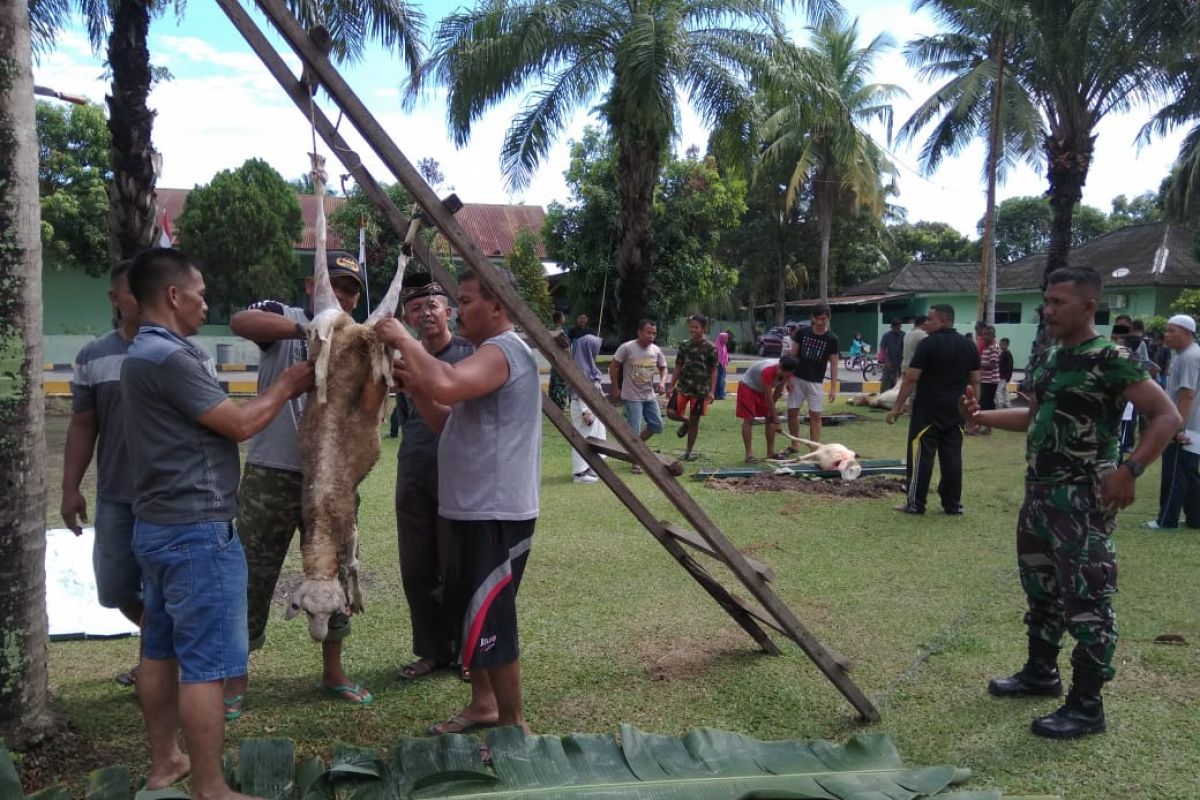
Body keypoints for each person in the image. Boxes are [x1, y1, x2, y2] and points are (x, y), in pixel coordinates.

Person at [120, 248, 313, 799]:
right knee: (204, 666)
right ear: (174, 296)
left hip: (157, 527)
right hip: (197, 531)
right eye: (200, 293)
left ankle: (167, 763)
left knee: (158, 651)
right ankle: (211, 786)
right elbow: (239, 423)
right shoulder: (170, 359)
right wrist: (288, 384)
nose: (207, 302)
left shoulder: (144, 352)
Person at [962, 266, 1178, 739]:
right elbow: (1035, 416)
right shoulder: (1048, 357)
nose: (1048, 309)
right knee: (1042, 592)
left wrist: (1131, 469)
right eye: (1047, 300)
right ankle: (1041, 673)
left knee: (1088, 601)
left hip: (1082, 498)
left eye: (1059, 302)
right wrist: (982, 415)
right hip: (1039, 493)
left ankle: (1086, 705)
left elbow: (1167, 415)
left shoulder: (1111, 358)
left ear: (1088, 306)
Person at [376, 268, 541, 737]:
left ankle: (513, 725)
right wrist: (417, 388)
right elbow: (448, 420)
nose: (458, 307)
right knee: (470, 611)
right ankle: (484, 703)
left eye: (465, 300)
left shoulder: (503, 350)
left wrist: (403, 339)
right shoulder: (487, 357)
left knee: (493, 619)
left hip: (494, 511)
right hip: (470, 507)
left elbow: (446, 383)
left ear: (497, 306)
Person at [222, 250, 371, 719]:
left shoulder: (359, 341)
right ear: (313, 287)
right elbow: (240, 322)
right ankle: (235, 677)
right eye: (334, 287)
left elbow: (370, 408)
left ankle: (334, 671)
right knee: (248, 574)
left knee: (337, 570)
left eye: (350, 292)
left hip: (333, 480)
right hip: (271, 472)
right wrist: (307, 329)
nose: (341, 296)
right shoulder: (284, 317)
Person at [62, 258, 144, 687]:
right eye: (133, 290)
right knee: (114, 588)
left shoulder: (183, 352)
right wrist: (70, 488)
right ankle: (160, 645)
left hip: (169, 499)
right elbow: (83, 424)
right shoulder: (93, 356)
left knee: (170, 591)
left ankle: (158, 664)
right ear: (115, 298)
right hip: (116, 496)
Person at [391, 274, 475, 679]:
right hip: (413, 470)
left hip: (456, 474)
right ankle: (431, 650)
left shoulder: (470, 354)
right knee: (416, 565)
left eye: (432, 306)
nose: (425, 314)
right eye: (415, 309)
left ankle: (466, 651)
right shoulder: (402, 362)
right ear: (406, 317)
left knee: (457, 564)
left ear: (448, 312)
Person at [886, 304, 979, 515]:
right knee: (953, 457)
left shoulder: (928, 345)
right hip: (957, 411)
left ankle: (916, 503)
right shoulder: (969, 346)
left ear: (943, 321)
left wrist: (896, 407)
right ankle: (952, 505)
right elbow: (975, 380)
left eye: (930, 319)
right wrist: (973, 411)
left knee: (922, 456)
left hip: (928, 411)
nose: (926, 323)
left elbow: (911, 378)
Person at [1144, 314, 1200, 530]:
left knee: (1175, 474)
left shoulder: (1188, 357)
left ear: (1188, 333)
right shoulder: (1191, 354)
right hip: (1193, 426)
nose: (1166, 335)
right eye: (1166, 331)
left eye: (1172, 331)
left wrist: (1178, 427)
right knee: (1189, 475)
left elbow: (1186, 394)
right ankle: (1196, 519)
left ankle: (1166, 520)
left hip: (1185, 427)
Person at [610, 320, 667, 472]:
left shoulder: (655, 350)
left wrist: (662, 382)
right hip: (631, 395)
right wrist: (616, 388)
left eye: (654, 333)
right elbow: (614, 366)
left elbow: (663, 368)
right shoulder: (627, 347)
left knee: (657, 425)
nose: (651, 336)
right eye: (648, 332)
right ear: (639, 332)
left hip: (649, 395)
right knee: (634, 430)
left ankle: (635, 447)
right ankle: (636, 461)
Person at [665, 314, 718, 461]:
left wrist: (712, 391)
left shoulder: (710, 347)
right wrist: (671, 386)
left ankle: (688, 452)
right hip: (683, 386)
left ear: (704, 328)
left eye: (696, 327)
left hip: (700, 390)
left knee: (696, 420)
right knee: (670, 412)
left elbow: (714, 370)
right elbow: (678, 365)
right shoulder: (684, 345)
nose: (692, 329)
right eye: (691, 326)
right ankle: (687, 422)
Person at [786, 305, 839, 445]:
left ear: (829, 318)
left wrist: (833, 388)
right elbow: (792, 355)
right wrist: (789, 377)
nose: (821, 322)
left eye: (824, 319)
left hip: (816, 381)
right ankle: (794, 444)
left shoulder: (832, 339)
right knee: (792, 412)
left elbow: (834, 364)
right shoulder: (803, 332)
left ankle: (814, 448)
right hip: (797, 378)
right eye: (818, 319)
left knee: (815, 416)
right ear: (812, 318)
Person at [737, 355, 799, 463]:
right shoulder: (768, 371)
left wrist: (771, 413)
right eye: (780, 368)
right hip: (747, 387)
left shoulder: (788, 374)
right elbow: (768, 396)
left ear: (791, 372)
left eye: (784, 371)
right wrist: (776, 418)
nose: (780, 372)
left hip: (761, 390)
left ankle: (770, 453)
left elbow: (778, 391)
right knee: (749, 419)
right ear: (779, 364)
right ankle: (749, 454)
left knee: (769, 418)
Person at [570, 331, 605, 483]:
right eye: (594, 351)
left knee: (594, 437)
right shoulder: (580, 369)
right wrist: (586, 411)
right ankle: (579, 473)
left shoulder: (590, 367)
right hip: (583, 407)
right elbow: (580, 391)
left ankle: (590, 468)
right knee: (583, 438)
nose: (595, 355)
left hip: (592, 408)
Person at [977, 325, 1001, 434]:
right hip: (985, 380)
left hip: (991, 381)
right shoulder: (985, 348)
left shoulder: (993, 347)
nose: (985, 337)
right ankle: (986, 427)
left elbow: (992, 365)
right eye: (983, 334)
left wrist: (979, 365)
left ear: (993, 336)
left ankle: (984, 426)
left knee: (985, 403)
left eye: (987, 335)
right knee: (987, 403)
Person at [547, 310, 571, 410]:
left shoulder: (551, 330)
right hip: (561, 361)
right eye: (563, 316)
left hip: (555, 361)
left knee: (555, 381)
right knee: (560, 383)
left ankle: (554, 403)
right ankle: (559, 404)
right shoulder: (559, 332)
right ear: (560, 319)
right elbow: (566, 347)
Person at [878, 318, 905, 392]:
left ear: (900, 326)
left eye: (898, 327)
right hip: (889, 361)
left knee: (899, 382)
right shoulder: (886, 336)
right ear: (891, 327)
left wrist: (903, 362)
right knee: (885, 381)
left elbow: (906, 350)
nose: (896, 329)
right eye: (894, 327)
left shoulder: (904, 335)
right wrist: (886, 361)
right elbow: (883, 350)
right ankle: (881, 397)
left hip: (901, 362)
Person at [997, 337, 1015, 409]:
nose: (1000, 346)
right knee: (1005, 390)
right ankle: (1007, 404)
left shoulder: (1007, 354)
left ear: (1007, 345)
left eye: (1002, 344)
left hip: (1003, 376)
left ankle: (1000, 405)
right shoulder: (1003, 353)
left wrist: (1007, 376)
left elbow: (1009, 366)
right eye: (1000, 344)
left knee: (998, 391)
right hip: (1003, 376)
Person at [714, 329, 731, 400]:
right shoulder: (718, 346)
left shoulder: (723, 345)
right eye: (725, 339)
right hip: (719, 365)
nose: (726, 340)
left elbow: (725, 354)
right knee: (719, 380)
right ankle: (718, 395)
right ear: (722, 338)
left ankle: (721, 394)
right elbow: (717, 356)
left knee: (722, 380)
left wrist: (728, 358)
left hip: (723, 365)